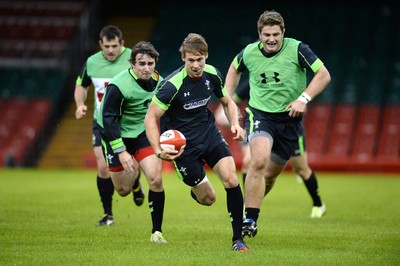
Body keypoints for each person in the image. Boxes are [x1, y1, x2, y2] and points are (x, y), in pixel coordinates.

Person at [225, 10, 331, 238]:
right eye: (266, 34)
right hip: (260, 115)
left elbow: (323, 74)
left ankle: (252, 208)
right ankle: (250, 220)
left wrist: (303, 99)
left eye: (275, 34)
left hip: (289, 121)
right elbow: (234, 69)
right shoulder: (250, 52)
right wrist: (228, 99)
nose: (271, 39)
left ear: (283, 33)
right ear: (259, 34)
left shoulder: (298, 49)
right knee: (258, 160)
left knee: (270, 176)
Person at [144, 33, 250, 252]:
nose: (196, 65)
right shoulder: (171, 85)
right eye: (191, 60)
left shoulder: (212, 74)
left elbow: (228, 102)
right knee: (209, 199)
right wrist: (157, 151)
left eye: (200, 59)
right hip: (183, 148)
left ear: (206, 56)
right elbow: (151, 117)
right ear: (183, 57)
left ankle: (238, 240)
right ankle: (196, 190)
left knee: (231, 178)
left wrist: (236, 124)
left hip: (209, 134)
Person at [215, 82, 326, 218]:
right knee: (249, 161)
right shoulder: (252, 83)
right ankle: (247, 205)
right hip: (259, 124)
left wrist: (299, 103)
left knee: (301, 169)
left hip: (288, 129)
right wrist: (228, 115)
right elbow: (231, 101)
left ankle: (318, 204)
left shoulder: (286, 80)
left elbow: (303, 106)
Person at [97, 41, 167, 244]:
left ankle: (157, 232)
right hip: (115, 135)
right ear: (132, 64)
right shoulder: (118, 86)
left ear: (155, 63)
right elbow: (108, 119)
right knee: (123, 190)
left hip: (143, 135)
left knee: (155, 179)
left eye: (150, 63)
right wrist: (121, 151)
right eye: (141, 63)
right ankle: (135, 182)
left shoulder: (160, 82)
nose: (146, 68)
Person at [74, 25, 145, 226]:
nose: (111, 50)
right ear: (100, 45)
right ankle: (108, 214)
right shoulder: (92, 62)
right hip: (102, 122)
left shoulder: (134, 58)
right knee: (103, 167)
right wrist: (80, 105)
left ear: (122, 44)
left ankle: (136, 183)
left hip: (129, 123)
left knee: (131, 168)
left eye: (115, 46)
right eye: (107, 46)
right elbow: (81, 85)